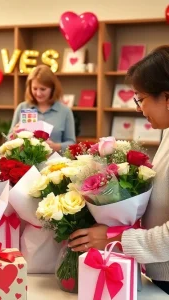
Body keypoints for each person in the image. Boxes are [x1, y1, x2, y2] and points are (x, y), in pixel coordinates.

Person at [67, 45, 169, 294]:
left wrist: (115, 239)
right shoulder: (166, 131)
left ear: (167, 98)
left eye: (141, 98)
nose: (137, 108)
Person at [9, 65, 76, 152]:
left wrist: (56, 146)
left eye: (43, 89)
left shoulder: (65, 111)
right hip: (26, 162)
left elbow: (72, 143)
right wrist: (14, 134)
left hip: (55, 162)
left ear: (52, 89)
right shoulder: (22, 107)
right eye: (35, 88)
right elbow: (8, 141)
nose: (38, 93)